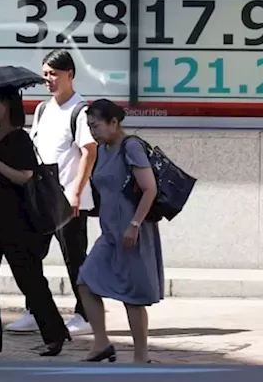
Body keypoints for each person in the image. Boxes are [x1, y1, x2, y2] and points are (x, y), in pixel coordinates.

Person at [0, 88, 70, 359]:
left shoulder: (20, 139)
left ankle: (54, 334)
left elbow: (25, 176)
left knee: (28, 277)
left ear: (7, 106)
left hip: (18, 216)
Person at [5, 50, 97, 336]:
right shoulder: (44, 109)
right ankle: (34, 309)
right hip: (41, 196)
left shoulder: (81, 111)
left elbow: (88, 152)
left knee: (75, 257)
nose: (49, 79)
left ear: (70, 73)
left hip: (68, 199)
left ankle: (85, 315)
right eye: (45, 74)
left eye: (54, 74)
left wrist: (77, 193)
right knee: (30, 254)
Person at [77, 99, 164, 363]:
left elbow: (150, 189)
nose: (93, 131)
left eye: (97, 125)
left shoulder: (131, 147)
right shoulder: (102, 150)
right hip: (110, 233)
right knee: (86, 280)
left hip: (132, 231)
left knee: (133, 296)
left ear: (114, 123)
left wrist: (134, 225)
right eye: (90, 127)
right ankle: (102, 343)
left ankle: (141, 356)